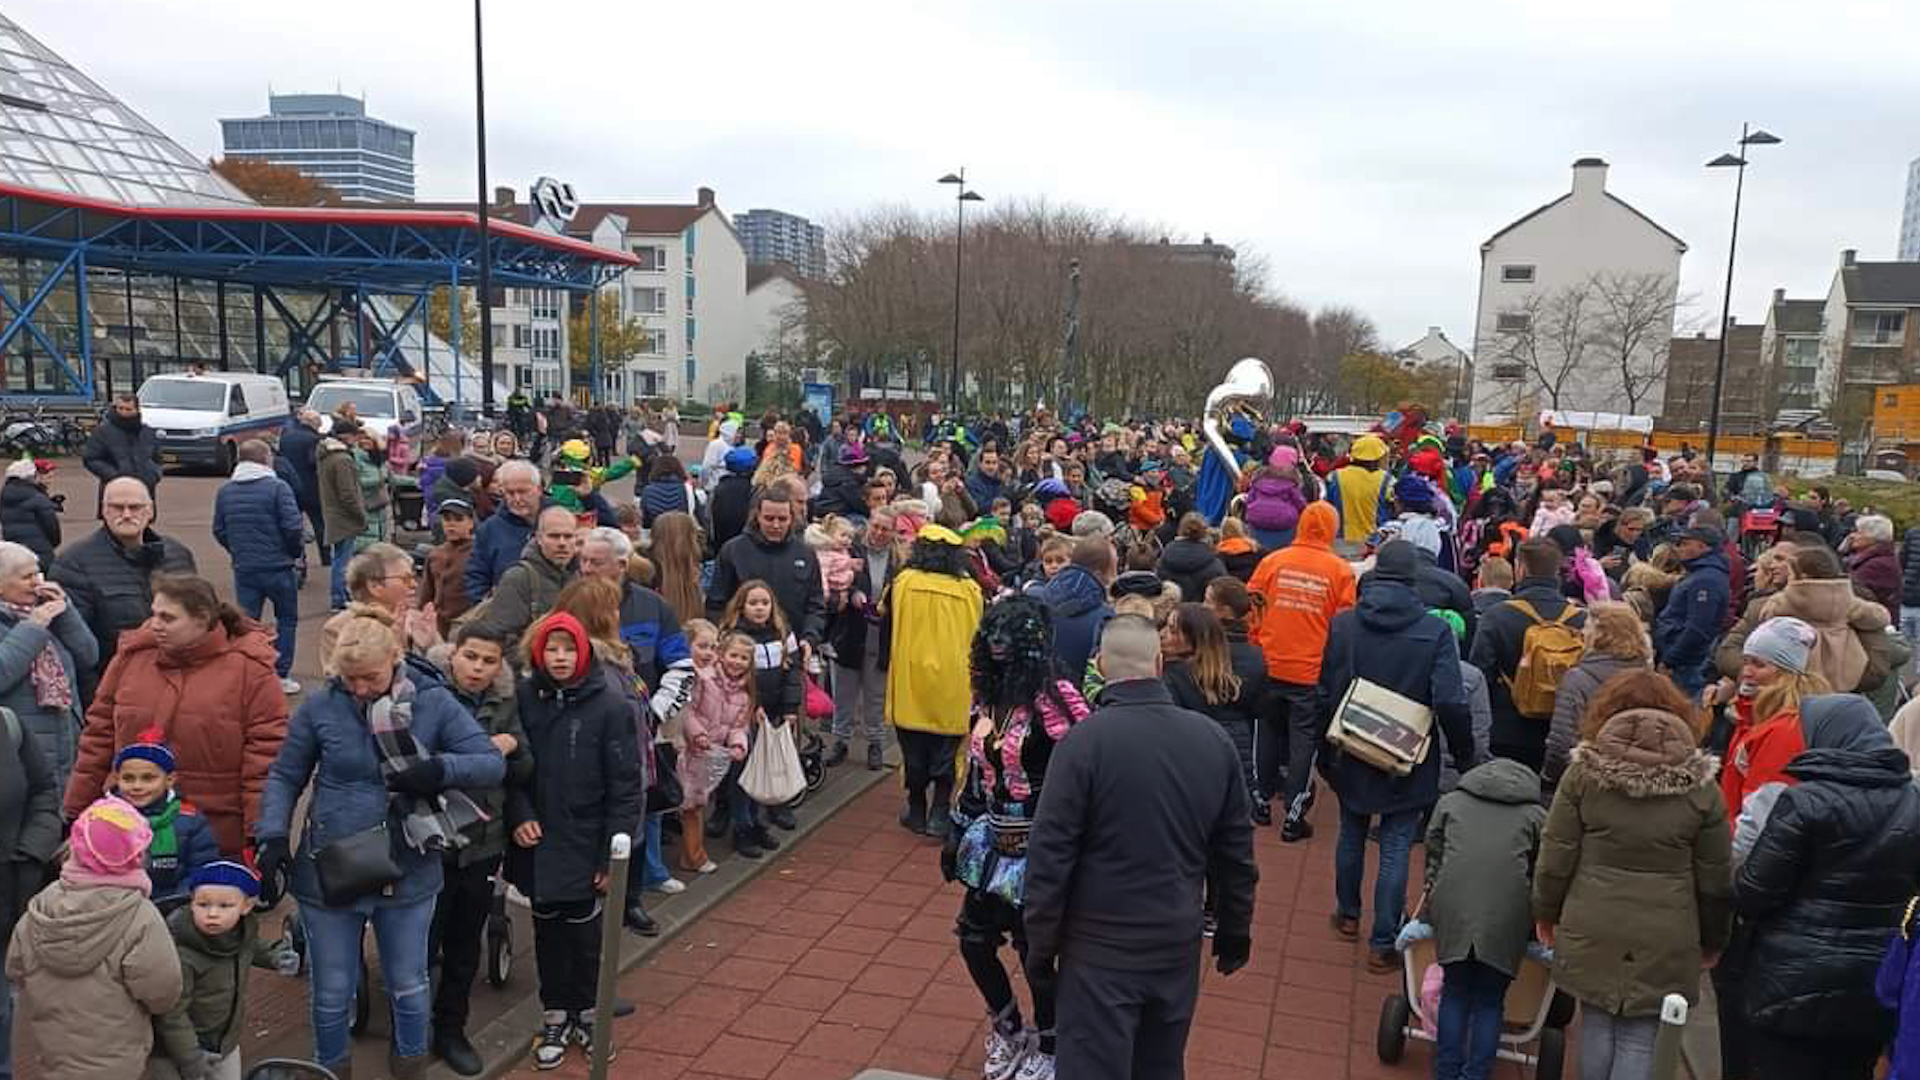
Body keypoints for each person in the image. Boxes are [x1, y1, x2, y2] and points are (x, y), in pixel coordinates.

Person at [255, 611, 503, 1079]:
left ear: (396, 658)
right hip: (331, 865)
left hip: (408, 861)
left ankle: (410, 1064)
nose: (360, 690)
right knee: (331, 989)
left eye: (370, 677)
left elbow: (489, 764)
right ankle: (330, 1069)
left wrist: (440, 770)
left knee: (408, 982)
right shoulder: (320, 706)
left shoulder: (434, 703)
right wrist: (271, 835)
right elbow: (287, 774)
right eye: (349, 679)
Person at [1024, 615, 1258, 1079]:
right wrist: (1234, 929)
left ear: (1101, 666)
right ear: (1157, 661)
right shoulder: (1212, 741)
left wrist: (1040, 946)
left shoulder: (1082, 744)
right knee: (1161, 1063)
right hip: (1175, 938)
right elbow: (1235, 854)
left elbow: (1050, 856)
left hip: (1098, 945)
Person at [1532, 669, 1731, 1080]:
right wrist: (1714, 938)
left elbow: (1556, 854)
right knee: (1641, 1035)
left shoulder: (1584, 774)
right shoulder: (1702, 786)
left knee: (1597, 1025)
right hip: (1668, 927)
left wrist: (1546, 912)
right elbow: (1715, 877)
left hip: (1593, 917)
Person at [1734, 694, 1920, 1079]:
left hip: (1791, 981)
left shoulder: (1804, 801)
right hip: (1874, 980)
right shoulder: (1913, 800)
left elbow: (1755, 891)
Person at [945, 596, 1091, 1080]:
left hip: (1044, 846)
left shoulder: (1059, 697)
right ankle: (1008, 1029)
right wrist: (958, 828)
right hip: (991, 839)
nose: (999, 643)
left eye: (1011, 634)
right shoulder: (986, 695)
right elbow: (976, 769)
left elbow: (1084, 773)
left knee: (1038, 953)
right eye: (992, 634)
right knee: (973, 939)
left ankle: (1050, 1046)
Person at [1317, 541, 1474, 970]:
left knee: (1350, 832)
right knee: (1396, 846)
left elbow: (1326, 689)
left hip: (1350, 745)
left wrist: (1321, 749)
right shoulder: (1435, 631)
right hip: (1408, 753)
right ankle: (1382, 941)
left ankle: (1348, 914)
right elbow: (1450, 701)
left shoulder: (1346, 624)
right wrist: (1465, 755)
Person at [505, 612, 642, 1070]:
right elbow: (513, 769)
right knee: (547, 931)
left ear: (582, 651)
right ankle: (555, 1011)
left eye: (568, 649)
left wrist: (612, 851)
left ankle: (587, 1011)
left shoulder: (610, 706)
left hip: (586, 838)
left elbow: (625, 784)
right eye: (551, 649)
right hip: (539, 836)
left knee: (584, 934)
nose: (559, 658)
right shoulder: (525, 698)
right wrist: (520, 815)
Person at [67, 574, 287, 859]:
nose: (155, 624)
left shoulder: (251, 669)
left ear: (202, 619)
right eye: (154, 614)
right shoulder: (131, 658)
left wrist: (260, 832)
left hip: (215, 831)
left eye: (168, 618)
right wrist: (76, 808)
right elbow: (99, 734)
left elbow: (265, 755)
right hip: (127, 825)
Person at [6, 795, 180, 1080]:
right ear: (136, 856)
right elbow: (163, 991)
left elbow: (15, 967)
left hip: (55, 1053)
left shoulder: (40, 908)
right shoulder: (139, 916)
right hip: (119, 1058)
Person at [426, 623, 532, 1076]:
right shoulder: (429, 697)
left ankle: (451, 1027)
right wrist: (486, 757)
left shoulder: (505, 702)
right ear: (453, 655)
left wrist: (512, 748)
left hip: (483, 842)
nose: (478, 668)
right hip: (432, 838)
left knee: (464, 941)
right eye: (471, 657)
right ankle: (408, 1022)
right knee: (422, 938)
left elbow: (524, 767)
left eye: (489, 661)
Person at [1423, 758, 1546, 1080]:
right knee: (1490, 1001)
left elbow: (1433, 851)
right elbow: (1545, 869)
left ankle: (1445, 1072)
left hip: (1454, 906)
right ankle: (1475, 1075)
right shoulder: (1535, 816)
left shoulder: (1451, 803)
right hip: (1508, 914)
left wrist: (1434, 894)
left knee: (1455, 991)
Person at [1246, 501, 1355, 839]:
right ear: (1332, 530)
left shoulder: (1273, 562)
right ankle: (1294, 815)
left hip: (1270, 663)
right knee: (1302, 743)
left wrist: (1257, 644)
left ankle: (1261, 802)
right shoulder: (1339, 571)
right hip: (1309, 672)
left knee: (1266, 733)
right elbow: (1343, 625)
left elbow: (1251, 607)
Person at [49, 475, 195, 701]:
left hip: (179, 683)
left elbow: (199, 620)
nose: (126, 514)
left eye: (135, 507)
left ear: (150, 511)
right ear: (104, 511)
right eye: (117, 507)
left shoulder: (178, 555)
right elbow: (74, 647)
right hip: (117, 689)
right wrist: (98, 704)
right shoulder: (73, 564)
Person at [148, 861, 297, 1080]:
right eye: (203, 904)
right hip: (180, 1049)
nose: (213, 914)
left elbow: (250, 946)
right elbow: (172, 1013)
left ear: (246, 907)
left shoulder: (240, 933)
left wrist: (275, 956)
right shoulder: (182, 955)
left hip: (224, 1039)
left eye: (225, 906)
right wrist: (190, 1057)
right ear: (192, 902)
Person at [883, 526, 985, 837]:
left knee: (912, 748)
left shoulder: (903, 583)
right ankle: (940, 812)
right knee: (947, 749)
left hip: (910, 677)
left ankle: (916, 808)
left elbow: (885, 620)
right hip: (954, 681)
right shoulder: (970, 590)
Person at [1471, 537, 1585, 773]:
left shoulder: (1497, 615)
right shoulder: (1582, 619)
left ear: (1520, 569)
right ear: (1557, 570)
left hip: (1506, 729)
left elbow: (1481, 675)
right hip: (1561, 731)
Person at [0, 658, 62, 1080]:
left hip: (5, 889)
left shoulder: (8, 727)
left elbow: (43, 792)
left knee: (1, 1006)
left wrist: (29, 854)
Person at [0, 542, 95, 797]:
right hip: (18, 748)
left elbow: (89, 654)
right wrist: (33, 628)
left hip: (65, 738)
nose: (37, 582)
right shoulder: (35, 622)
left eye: (38, 573)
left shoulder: (44, 613)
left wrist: (66, 610)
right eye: (26, 577)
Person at [212, 439, 306, 695]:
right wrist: (294, 553)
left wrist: (238, 550)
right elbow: (292, 526)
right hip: (279, 567)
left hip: (245, 568)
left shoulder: (226, 491)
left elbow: (219, 529)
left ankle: (246, 671)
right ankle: (280, 674)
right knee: (286, 620)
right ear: (265, 458)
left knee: (246, 622)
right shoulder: (278, 488)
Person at [1161, 603, 1263, 834]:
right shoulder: (1236, 677)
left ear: (1193, 638)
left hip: (1191, 778)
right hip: (1236, 769)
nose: (1163, 634)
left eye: (1173, 630)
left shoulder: (1171, 681)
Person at [1543, 601, 1652, 792]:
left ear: (1601, 634)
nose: (1582, 633)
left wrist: (1550, 778)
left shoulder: (1577, 679)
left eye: (1587, 627)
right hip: (1635, 783)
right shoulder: (1650, 679)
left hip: (1587, 784)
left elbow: (1561, 741)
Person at [705, 486, 826, 654]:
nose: (776, 525)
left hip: (792, 650)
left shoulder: (806, 554)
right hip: (743, 653)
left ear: (791, 518)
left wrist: (810, 638)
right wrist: (726, 639)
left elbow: (816, 604)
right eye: (769, 519)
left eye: (782, 519)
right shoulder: (733, 551)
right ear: (757, 517)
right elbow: (716, 605)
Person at [106, 736, 216, 912]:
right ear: (117, 779)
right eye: (128, 779)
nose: (137, 786)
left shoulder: (191, 821)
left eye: (148, 778)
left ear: (170, 779)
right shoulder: (103, 819)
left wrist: (176, 903)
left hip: (173, 906)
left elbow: (200, 869)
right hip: (116, 907)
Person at [827, 508, 899, 771]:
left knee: (876, 692)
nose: (879, 533)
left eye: (885, 529)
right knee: (844, 690)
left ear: (893, 532)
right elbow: (836, 580)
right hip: (851, 630)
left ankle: (875, 742)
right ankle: (840, 739)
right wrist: (854, 592)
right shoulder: (852, 551)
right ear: (869, 525)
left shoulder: (899, 560)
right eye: (876, 526)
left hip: (881, 634)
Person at [465, 505, 580, 648]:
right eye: (554, 536)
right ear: (538, 538)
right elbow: (500, 637)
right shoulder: (519, 578)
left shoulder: (581, 576)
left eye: (568, 536)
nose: (562, 543)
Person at [1036, 536, 1115, 688]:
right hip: (1083, 705)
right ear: (1099, 575)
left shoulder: (1039, 602)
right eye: (1114, 570)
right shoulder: (1106, 618)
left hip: (1042, 699)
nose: (1115, 577)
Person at [464, 459, 544, 603]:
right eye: (510, 493)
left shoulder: (559, 520)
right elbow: (476, 576)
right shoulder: (489, 529)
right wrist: (487, 607)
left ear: (539, 489)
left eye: (523, 491)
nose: (517, 499)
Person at [315, 421, 368, 610]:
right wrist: (360, 514)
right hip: (344, 517)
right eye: (355, 435)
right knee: (343, 560)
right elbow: (348, 493)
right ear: (346, 436)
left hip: (332, 512)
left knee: (339, 557)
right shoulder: (342, 460)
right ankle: (340, 598)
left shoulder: (325, 455)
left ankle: (339, 596)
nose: (357, 439)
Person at [81, 392, 162, 506]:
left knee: (143, 520)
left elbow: (157, 458)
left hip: (144, 490)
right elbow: (90, 459)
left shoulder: (147, 432)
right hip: (115, 490)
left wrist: (154, 474)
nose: (124, 412)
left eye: (128, 409)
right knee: (115, 521)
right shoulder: (103, 432)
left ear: (137, 409)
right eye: (121, 408)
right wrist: (114, 476)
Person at [419, 498, 478, 638]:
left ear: (470, 522)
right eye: (446, 519)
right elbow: (427, 592)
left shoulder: (480, 553)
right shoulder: (435, 554)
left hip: (467, 624)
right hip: (439, 625)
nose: (451, 524)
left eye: (458, 519)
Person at [279, 409, 327, 565]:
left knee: (294, 524)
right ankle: (325, 558)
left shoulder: (286, 437)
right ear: (314, 423)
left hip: (290, 486)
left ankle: (299, 559)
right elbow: (313, 463)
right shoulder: (314, 439)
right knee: (319, 525)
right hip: (312, 488)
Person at [1325, 433, 1391, 543]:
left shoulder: (1334, 477)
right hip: (1373, 543)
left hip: (1340, 540)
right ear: (1377, 457)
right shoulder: (1387, 480)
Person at [0, 458, 59, 572]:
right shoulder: (38, 497)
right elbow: (52, 528)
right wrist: (52, 544)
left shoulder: (4, 497)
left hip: (15, 551)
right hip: (41, 553)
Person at [1155, 513, 1227, 603]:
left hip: (1170, 613)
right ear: (1205, 533)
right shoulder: (1215, 565)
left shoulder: (1162, 560)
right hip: (1201, 614)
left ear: (1180, 530)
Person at [1846, 513, 1901, 624]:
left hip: (1873, 624)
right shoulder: (1872, 559)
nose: (1853, 536)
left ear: (1873, 537)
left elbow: (1854, 594)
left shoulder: (1878, 565)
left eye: (1858, 532)